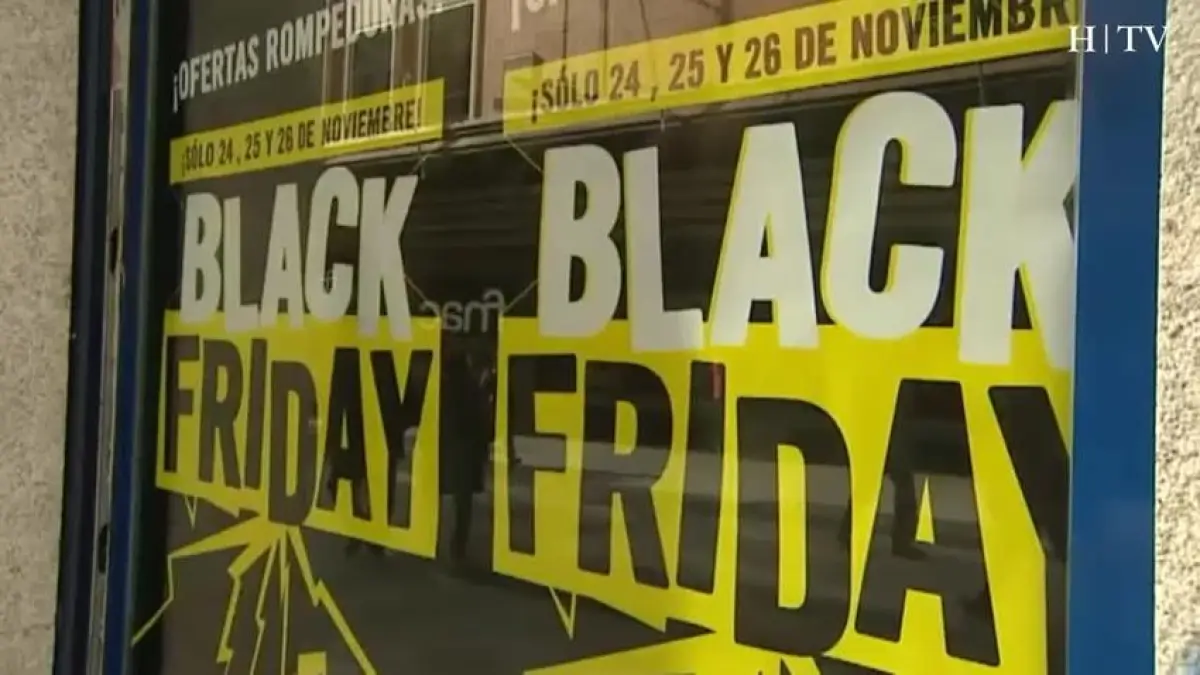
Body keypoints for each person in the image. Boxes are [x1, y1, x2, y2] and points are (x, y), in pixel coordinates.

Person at [439, 347, 492, 567]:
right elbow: (481, 421)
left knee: (444, 496)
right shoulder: (471, 389)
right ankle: (457, 545)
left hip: (449, 449)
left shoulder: (444, 388)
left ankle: (438, 541)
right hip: (467, 451)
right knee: (463, 503)